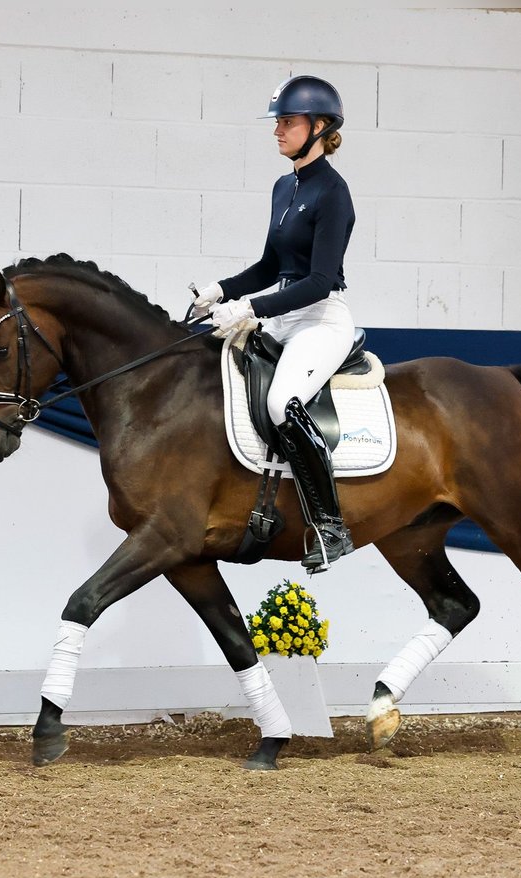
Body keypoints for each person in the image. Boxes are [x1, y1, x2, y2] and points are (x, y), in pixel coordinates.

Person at [193, 75, 357, 573]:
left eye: (288, 122)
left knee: (280, 403)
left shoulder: (334, 193)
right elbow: (270, 266)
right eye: (279, 122)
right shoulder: (284, 186)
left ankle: (331, 526)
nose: (278, 130)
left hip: (318, 319)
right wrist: (221, 291)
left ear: (320, 126)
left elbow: (321, 281)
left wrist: (250, 310)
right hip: (281, 313)